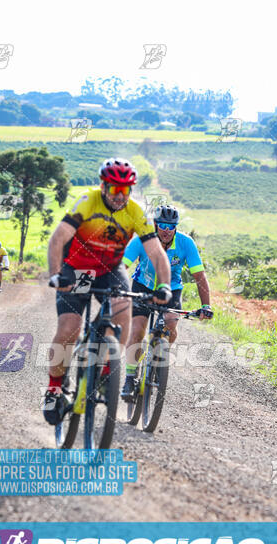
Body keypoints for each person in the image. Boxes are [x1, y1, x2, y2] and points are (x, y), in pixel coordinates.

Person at [43, 158, 172, 425]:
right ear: (103, 186)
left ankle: (103, 372)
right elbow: (58, 238)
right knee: (69, 328)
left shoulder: (136, 212)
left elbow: (157, 253)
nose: (119, 196)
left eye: (125, 191)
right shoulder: (87, 201)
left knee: (122, 319)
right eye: (114, 189)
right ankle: (54, 388)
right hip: (76, 270)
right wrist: (56, 273)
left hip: (110, 272)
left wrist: (164, 285)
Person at [121, 204, 214, 399]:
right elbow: (123, 267)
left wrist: (206, 306)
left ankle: (157, 356)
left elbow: (200, 277)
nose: (166, 230)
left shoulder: (185, 243)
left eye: (171, 226)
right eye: (162, 225)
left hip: (171, 290)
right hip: (142, 287)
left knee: (171, 325)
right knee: (137, 329)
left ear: (176, 227)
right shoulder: (142, 240)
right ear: (155, 224)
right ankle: (130, 377)